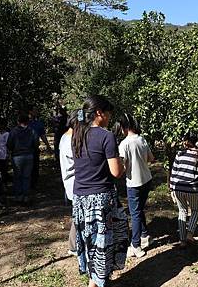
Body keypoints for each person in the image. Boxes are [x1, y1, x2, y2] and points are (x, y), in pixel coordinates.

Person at [72, 95, 128, 287]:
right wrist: (125, 166)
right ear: (99, 113)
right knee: (104, 242)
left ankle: (93, 278)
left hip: (80, 198)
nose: (110, 117)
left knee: (89, 240)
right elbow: (116, 171)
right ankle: (96, 282)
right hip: (100, 199)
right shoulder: (106, 136)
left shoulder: (77, 134)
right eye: (109, 113)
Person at [118, 113, 155, 258]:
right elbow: (151, 158)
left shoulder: (124, 144)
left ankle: (136, 245)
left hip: (134, 183)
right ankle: (145, 235)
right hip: (147, 179)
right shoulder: (142, 139)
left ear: (123, 127)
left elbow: (121, 169)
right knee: (139, 210)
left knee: (135, 213)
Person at [168, 132, 198, 248]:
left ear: (186, 141)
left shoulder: (180, 154)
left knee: (182, 211)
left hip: (178, 187)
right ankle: (190, 234)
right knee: (195, 211)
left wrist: (172, 189)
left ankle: (182, 241)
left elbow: (173, 172)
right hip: (193, 188)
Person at [7, 111, 39, 203]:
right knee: (27, 176)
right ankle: (26, 196)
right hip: (29, 155)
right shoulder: (32, 131)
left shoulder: (13, 131)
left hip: (17, 156)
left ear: (18, 121)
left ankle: (19, 196)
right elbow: (36, 143)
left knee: (17, 176)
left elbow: (9, 144)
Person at [59, 110, 78, 255]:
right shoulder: (70, 140)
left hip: (72, 182)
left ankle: (75, 244)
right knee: (78, 215)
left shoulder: (66, 137)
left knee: (78, 214)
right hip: (74, 183)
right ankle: (73, 246)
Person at [28, 105, 53, 189]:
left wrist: (48, 145)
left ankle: (33, 184)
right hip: (25, 149)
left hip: (34, 148)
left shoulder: (38, 123)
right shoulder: (25, 122)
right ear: (30, 111)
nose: (36, 112)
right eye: (34, 110)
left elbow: (43, 135)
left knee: (35, 166)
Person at [0, 118, 10, 186]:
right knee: (1, 170)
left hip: (4, 155)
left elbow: (8, 145)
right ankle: (4, 184)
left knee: (4, 171)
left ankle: (5, 184)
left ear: (3, 125)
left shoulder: (6, 134)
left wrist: (8, 155)